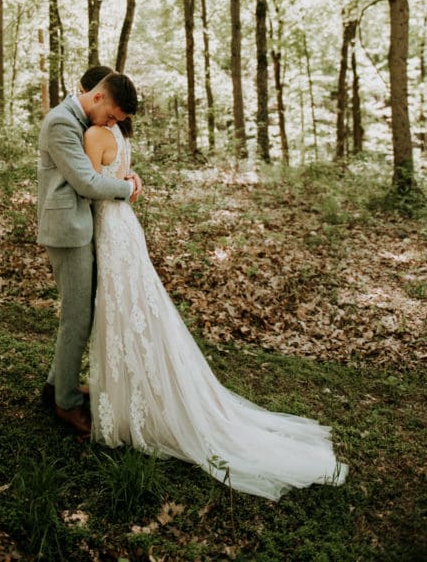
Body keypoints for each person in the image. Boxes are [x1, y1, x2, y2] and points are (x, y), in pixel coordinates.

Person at [83, 119, 349, 502]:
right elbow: (125, 185)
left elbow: (88, 186)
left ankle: (130, 411)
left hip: (110, 229)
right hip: (125, 226)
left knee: (124, 311)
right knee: (131, 311)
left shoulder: (94, 134)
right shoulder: (121, 137)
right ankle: (129, 401)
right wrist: (129, 184)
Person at [37, 70, 142, 436]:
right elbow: (86, 181)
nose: (111, 124)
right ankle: (66, 402)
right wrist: (127, 189)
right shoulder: (61, 123)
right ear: (98, 98)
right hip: (67, 231)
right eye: (112, 116)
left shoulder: (80, 119)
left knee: (83, 313)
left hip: (83, 228)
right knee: (77, 318)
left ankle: (55, 386)